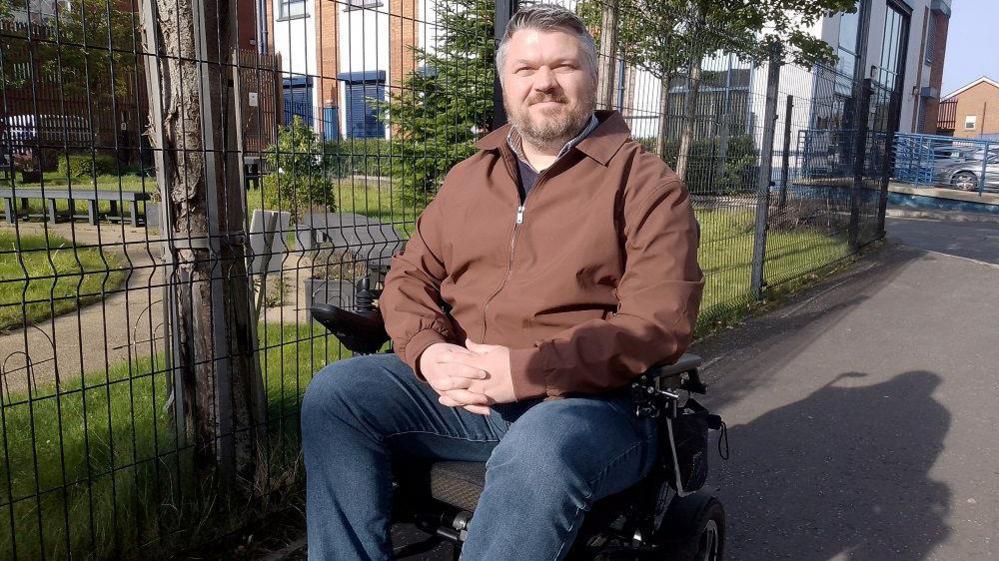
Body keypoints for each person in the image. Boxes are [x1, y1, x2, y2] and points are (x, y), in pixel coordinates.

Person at [301, 4, 704, 560]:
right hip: (466, 393)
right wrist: (428, 352)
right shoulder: (470, 177)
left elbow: (657, 323)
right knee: (338, 394)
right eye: (526, 69)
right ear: (506, 82)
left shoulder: (645, 184)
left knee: (539, 449)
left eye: (563, 66)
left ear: (592, 77)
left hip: (591, 407)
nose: (544, 82)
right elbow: (410, 276)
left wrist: (525, 370)